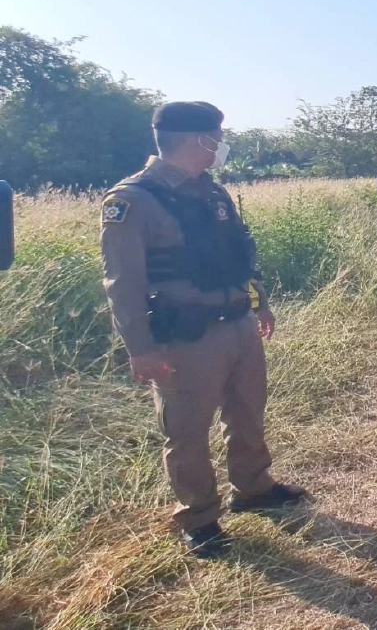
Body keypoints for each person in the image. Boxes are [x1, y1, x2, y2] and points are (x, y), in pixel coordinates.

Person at [99, 102, 306, 559]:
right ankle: (199, 518)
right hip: (186, 338)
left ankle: (253, 488)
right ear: (199, 141)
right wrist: (141, 349)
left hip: (237, 325)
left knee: (248, 411)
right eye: (216, 137)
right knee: (188, 429)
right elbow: (122, 282)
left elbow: (237, 256)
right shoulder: (133, 200)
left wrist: (260, 304)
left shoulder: (212, 193)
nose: (221, 147)